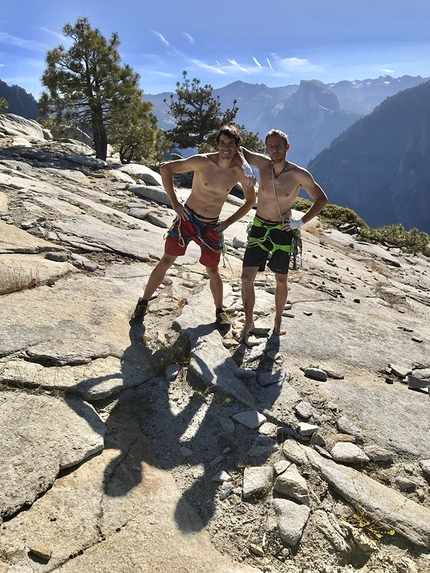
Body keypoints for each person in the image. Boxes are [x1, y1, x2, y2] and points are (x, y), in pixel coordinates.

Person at [130, 125, 257, 332]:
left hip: (211, 226)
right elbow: (165, 169)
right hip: (187, 219)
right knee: (166, 260)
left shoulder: (239, 172)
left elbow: (250, 201)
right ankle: (143, 303)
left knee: (213, 270)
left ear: (237, 146)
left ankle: (219, 311)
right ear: (217, 144)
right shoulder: (203, 161)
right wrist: (175, 203)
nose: (225, 148)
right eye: (222, 143)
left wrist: (227, 223)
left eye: (230, 144)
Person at [235, 129, 328, 343]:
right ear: (266, 149)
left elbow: (321, 199)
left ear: (287, 147)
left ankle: (278, 320)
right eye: (270, 146)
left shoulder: (299, 174)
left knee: (280, 279)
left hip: (282, 229)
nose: (274, 150)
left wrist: (301, 221)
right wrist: (245, 165)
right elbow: (237, 149)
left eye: (279, 146)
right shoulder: (263, 164)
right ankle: (249, 322)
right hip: (259, 227)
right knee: (246, 278)